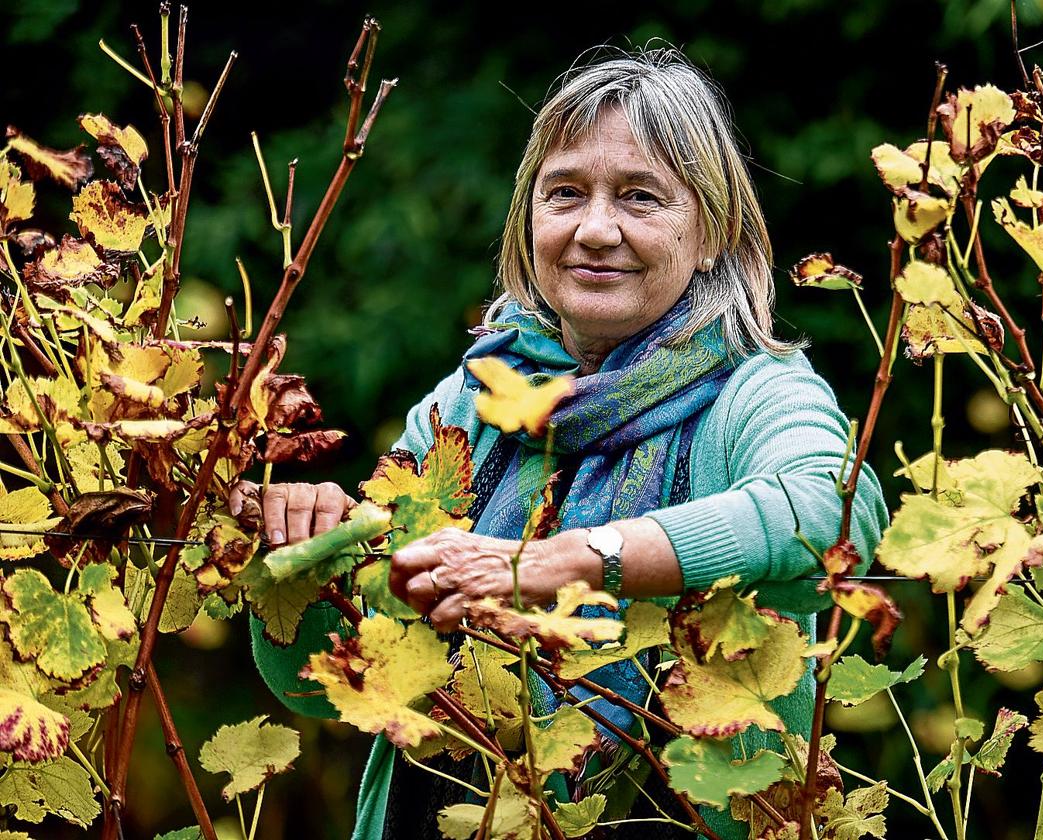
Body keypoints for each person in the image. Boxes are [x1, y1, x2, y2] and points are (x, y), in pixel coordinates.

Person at [245, 47, 887, 840]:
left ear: (714, 231)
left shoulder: (756, 395)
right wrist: (309, 562)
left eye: (641, 197)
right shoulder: (471, 404)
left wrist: (574, 558)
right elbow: (325, 685)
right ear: (531, 220)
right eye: (566, 194)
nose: (595, 229)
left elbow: (836, 509)